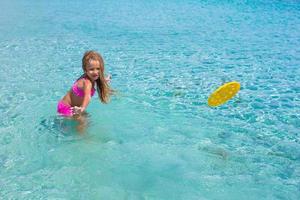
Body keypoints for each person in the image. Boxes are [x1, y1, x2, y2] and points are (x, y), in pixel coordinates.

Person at [57, 50, 113, 117]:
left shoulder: (89, 77)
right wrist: (82, 108)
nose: (95, 72)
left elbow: (95, 78)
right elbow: (87, 96)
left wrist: (103, 80)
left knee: (86, 117)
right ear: (85, 70)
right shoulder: (87, 82)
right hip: (66, 108)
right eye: (91, 69)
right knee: (83, 123)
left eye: (98, 68)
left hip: (70, 107)